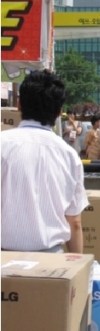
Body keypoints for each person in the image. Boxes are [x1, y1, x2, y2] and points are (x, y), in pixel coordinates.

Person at [1, 70, 88, 253]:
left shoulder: (3, 144)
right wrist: (77, 270)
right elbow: (75, 222)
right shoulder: (69, 156)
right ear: (59, 113)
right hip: (50, 262)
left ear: (19, 105)